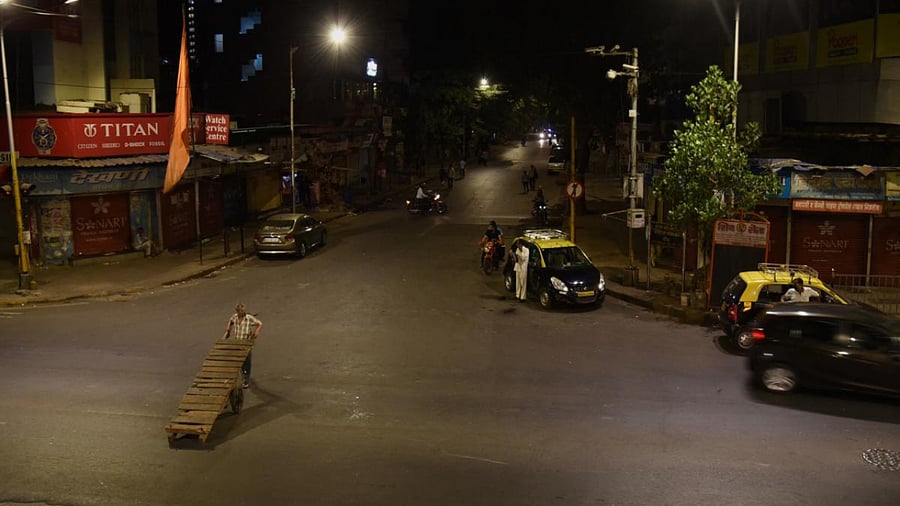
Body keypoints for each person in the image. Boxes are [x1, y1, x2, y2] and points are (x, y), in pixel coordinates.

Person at [224, 303, 263, 389]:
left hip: (246, 343)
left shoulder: (249, 318)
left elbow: (260, 323)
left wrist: (257, 331)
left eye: (244, 310)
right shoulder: (234, 317)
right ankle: (243, 374)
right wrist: (228, 330)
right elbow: (230, 321)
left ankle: (246, 379)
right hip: (237, 343)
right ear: (237, 311)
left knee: (247, 362)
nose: (244, 312)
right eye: (242, 311)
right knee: (239, 362)